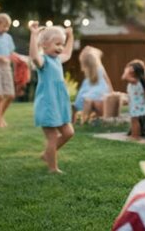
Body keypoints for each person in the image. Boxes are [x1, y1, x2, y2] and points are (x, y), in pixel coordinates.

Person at [29, 21, 75, 173]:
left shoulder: (57, 60)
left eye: (61, 44)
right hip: (48, 104)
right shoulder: (44, 62)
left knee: (69, 133)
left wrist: (70, 36)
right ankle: (52, 168)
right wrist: (34, 36)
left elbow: (67, 53)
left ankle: (47, 154)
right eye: (57, 44)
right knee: (53, 137)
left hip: (59, 104)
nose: (60, 48)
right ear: (44, 44)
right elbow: (34, 56)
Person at [73, 46, 113, 124]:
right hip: (92, 91)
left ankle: (85, 120)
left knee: (88, 100)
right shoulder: (89, 71)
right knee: (85, 101)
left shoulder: (99, 68)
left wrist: (111, 92)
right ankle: (84, 120)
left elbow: (107, 80)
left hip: (98, 93)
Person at [121, 59, 145, 141]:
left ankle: (136, 136)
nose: (127, 71)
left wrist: (126, 69)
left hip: (136, 105)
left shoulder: (135, 81)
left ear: (133, 71)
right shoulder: (140, 80)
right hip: (137, 105)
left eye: (129, 69)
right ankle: (134, 135)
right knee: (134, 120)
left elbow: (124, 77)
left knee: (134, 120)